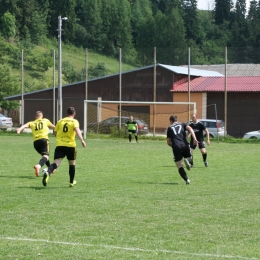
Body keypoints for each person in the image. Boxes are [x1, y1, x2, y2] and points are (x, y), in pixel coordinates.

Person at [42, 107, 86, 187]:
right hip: (70, 146)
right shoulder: (74, 121)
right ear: (74, 114)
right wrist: (82, 140)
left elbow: (55, 132)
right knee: (72, 163)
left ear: (66, 113)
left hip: (60, 145)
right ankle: (71, 182)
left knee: (56, 163)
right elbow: (77, 130)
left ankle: (48, 172)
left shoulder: (60, 121)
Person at [16, 111, 55, 177]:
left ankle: (51, 169)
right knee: (45, 156)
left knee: (44, 156)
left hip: (36, 143)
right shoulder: (45, 120)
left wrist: (19, 130)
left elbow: (25, 125)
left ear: (35, 117)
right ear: (42, 116)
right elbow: (54, 127)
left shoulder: (32, 122)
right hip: (44, 140)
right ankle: (38, 166)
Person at [166, 115, 198, 184]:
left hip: (176, 146)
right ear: (177, 120)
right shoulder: (183, 124)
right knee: (189, 157)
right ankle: (188, 161)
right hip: (184, 144)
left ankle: (187, 180)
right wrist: (195, 139)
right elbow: (191, 129)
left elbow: (168, 142)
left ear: (171, 121)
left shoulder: (169, 128)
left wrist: (174, 146)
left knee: (179, 166)